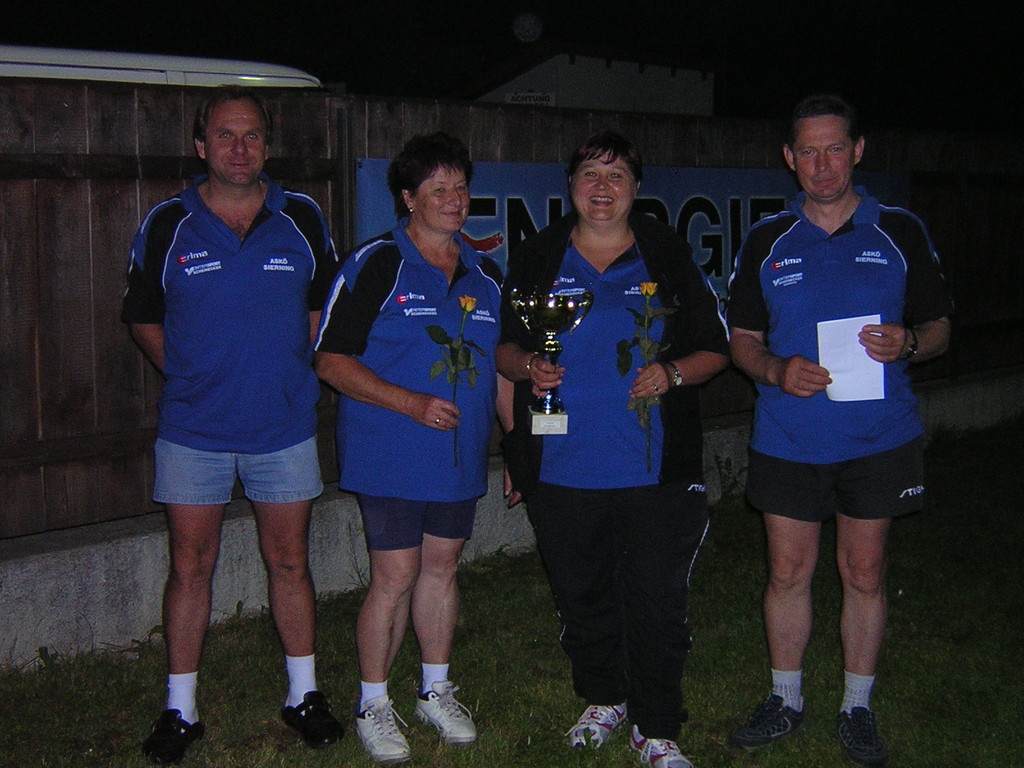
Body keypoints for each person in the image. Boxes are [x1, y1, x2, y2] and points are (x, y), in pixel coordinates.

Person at [726, 94, 953, 767]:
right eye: (808, 152)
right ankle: (785, 698)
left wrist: (909, 341)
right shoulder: (767, 240)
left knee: (864, 571)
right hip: (789, 438)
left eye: (834, 149)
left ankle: (857, 706)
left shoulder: (900, 230)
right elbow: (742, 338)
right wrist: (775, 369)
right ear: (789, 158)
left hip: (878, 437)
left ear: (857, 151)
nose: (822, 165)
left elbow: (940, 327)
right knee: (787, 571)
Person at [121, 86, 344, 764]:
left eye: (251, 135)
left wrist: (291, 371)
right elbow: (142, 315)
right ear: (201, 146)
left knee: (290, 560)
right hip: (195, 430)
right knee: (191, 566)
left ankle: (303, 695)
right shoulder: (168, 223)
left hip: (284, 425)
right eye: (224, 134)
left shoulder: (302, 217)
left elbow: (322, 309)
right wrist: (189, 373)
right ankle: (180, 709)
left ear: (267, 147)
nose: (239, 148)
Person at [497, 130, 730, 768]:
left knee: (657, 601)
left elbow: (716, 348)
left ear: (636, 187)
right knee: (582, 594)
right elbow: (504, 349)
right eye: (590, 175)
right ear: (571, 185)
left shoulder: (666, 254)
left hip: (654, 470)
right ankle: (604, 698)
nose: (603, 188)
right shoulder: (539, 256)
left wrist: (673, 373)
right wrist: (528, 367)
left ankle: (656, 726)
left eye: (617, 175)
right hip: (562, 464)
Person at [313, 132, 502, 765]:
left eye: (461, 188)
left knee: (443, 568)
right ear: (407, 198)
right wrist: (410, 403)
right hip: (389, 450)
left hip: (459, 456)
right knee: (394, 576)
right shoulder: (376, 263)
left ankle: (434, 689)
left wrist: (523, 448)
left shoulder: (485, 273)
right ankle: (372, 701)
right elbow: (331, 360)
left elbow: (500, 369)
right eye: (437, 189)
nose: (453, 200)